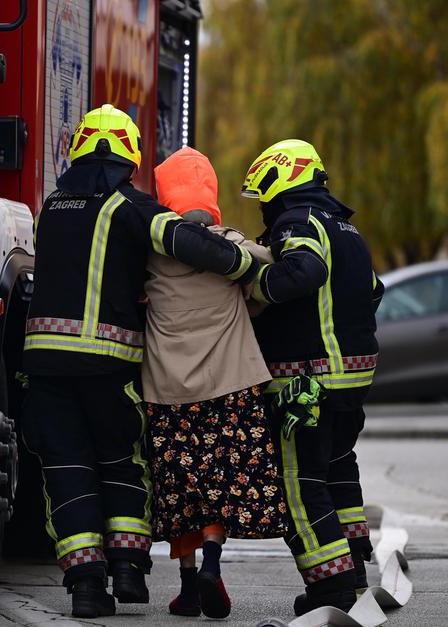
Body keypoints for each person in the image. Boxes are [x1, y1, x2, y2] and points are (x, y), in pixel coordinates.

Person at [20, 104, 264, 619]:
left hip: (45, 367)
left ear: (79, 147)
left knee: (66, 471)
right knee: (120, 463)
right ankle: (128, 570)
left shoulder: (50, 207)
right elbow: (188, 244)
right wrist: (242, 262)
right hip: (108, 367)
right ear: (129, 154)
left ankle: (87, 588)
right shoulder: (129, 206)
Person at [142, 147, 288, 619]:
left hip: (168, 392)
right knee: (221, 480)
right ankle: (212, 563)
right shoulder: (231, 247)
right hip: (229, 386)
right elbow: (269, 281)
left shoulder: (152, 256)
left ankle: (187, 587)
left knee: (180, 488)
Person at [241, 139, 384, 615]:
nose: (263, 207)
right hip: (350, 382)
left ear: (278, 181)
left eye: (263, 195)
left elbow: (304, 269)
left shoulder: (297, 222)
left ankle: (331, 587)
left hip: (308, 385)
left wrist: (255, 290)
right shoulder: (348, 229)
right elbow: (373, 291)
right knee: (338, 470)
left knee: (299, 485)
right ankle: (355, 569)